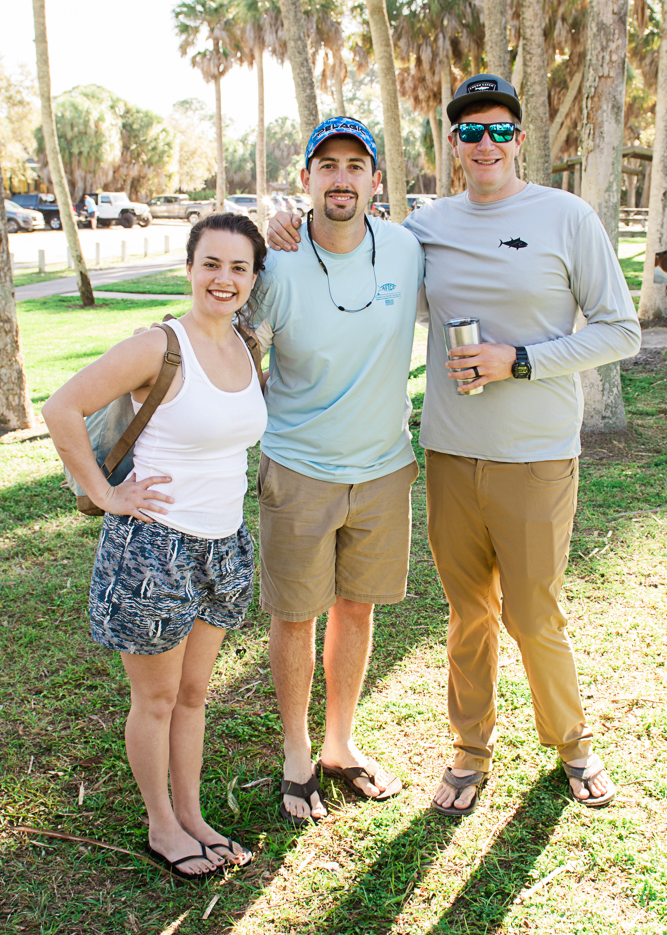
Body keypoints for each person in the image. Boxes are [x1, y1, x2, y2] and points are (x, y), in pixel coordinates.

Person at [266, 75, 641, 815]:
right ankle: (469, 754)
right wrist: (284, 225)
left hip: (535, 455)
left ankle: (572, 744)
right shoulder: (424, 230)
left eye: (500, 129)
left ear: (519, 139)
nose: (485, 144)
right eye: (471, 132)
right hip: (446, 453)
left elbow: (619, 330)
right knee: (468, 613)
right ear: (453, 143)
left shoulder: (565, 217)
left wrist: (519, 359)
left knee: (533, 612)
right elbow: (348, 244)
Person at [43, 213, 268, 878]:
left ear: (252, 278)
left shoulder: (245, 344)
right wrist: (107, 494)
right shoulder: (157, 345)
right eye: (211, 264)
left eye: (238, 268)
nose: (223, 279)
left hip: (222, 547)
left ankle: (193, 814)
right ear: (190, 267)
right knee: (158, 700)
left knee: (195, 695)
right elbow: (62, 409)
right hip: (153, 550)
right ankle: (161, 824)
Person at [255, 116, 424, 824]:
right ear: (306, 182)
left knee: (356, 609)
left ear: (375, 181)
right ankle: (297, 752)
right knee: (295, 617)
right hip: (298, 468)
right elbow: (237, 350)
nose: (341, 178)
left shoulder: (409, 248)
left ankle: (340, 744)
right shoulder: (277, 262)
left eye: (356, 165)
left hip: (385, 468)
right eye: (327, 166)